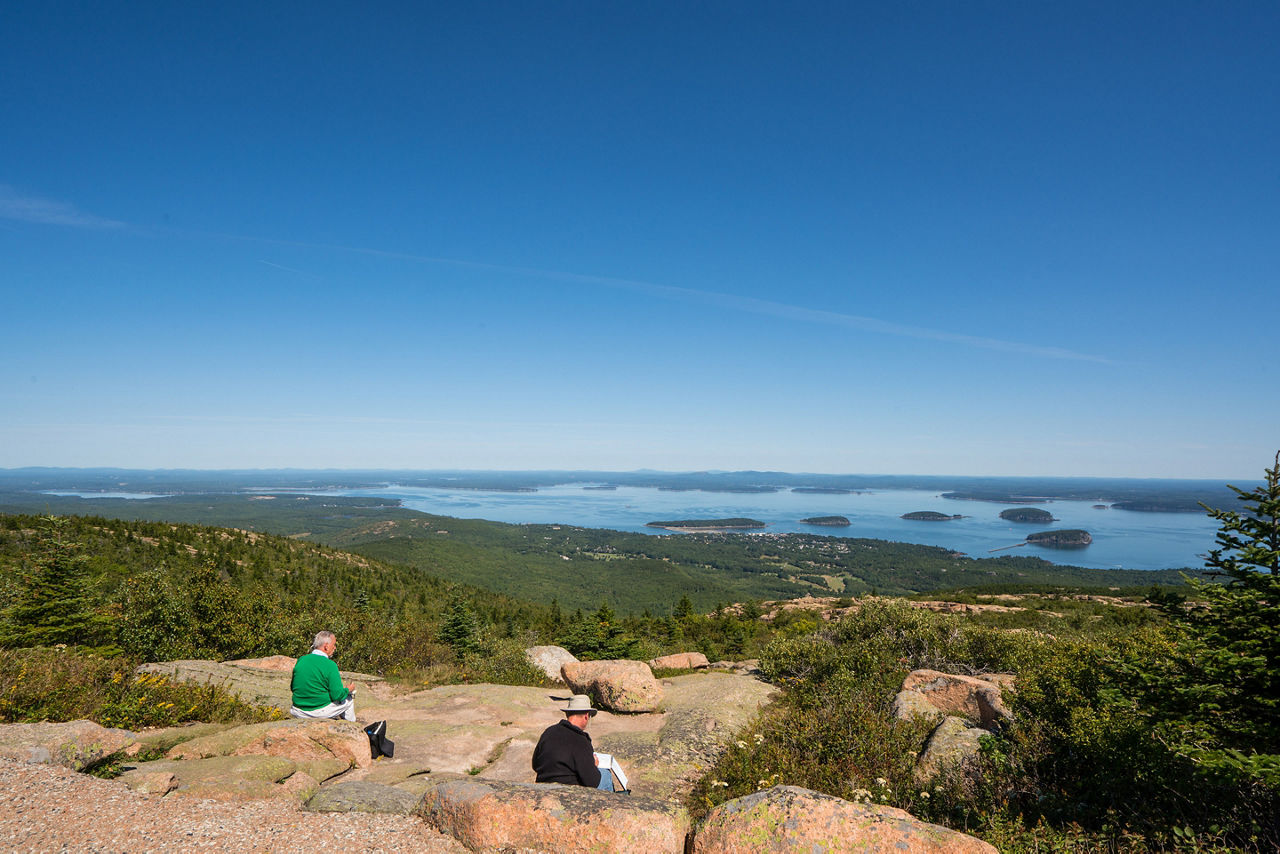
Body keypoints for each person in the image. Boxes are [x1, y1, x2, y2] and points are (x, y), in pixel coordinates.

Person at [532, 694, 616, 791]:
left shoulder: (548, 732)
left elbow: (535, 765)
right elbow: (593, 782)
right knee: (605, 774)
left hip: (543, 787)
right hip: (569, 791)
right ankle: (612, 804)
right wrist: (594, 765)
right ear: (586, 716)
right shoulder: (581, 740)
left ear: (567, 714)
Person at [289, 630, 356, 721]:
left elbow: (293, 687)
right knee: (348, 700)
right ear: (326, 646)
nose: (335, 648)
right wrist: (348, 689)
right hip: (317, 711)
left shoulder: (302, 660)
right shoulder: (330, 665)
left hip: (298, 710)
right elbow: (337, 695)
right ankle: (351, 730)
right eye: (334, 645)